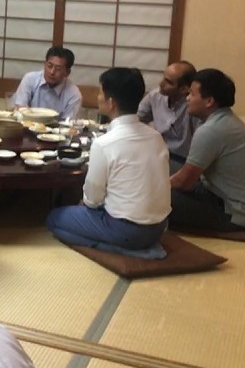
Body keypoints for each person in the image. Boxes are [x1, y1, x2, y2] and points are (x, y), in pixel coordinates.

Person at [46, 67, 171, 252]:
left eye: (100, 92)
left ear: (111, 103)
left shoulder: (104, 143)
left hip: (126, 229)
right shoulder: (156, 136)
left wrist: (84, 205)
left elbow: (92, 200)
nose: (98, 97)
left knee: (54, 219)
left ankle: (122, 250)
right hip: (159, 228)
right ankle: (131, 245)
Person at [169, 68, 245, 231]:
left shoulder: (212, 130)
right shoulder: (222, 119)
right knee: (166, 163)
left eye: (192, 94)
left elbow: (185, 182)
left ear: (209, 101)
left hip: (233, 212)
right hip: (219, 193)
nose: (187, 98)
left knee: (150, 199)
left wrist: (155, 187)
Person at [138, 61, 200, 170]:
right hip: (157, 152)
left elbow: (199, 146)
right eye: (163, 78)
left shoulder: (194, 105)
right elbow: (137, 119)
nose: (161, 83)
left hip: (183, 160)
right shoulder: (155, 96)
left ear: (184, 89)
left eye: (168, 82)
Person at [11, 45, 82, 120]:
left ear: (67, 72)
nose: (52, 72)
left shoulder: (73, 94)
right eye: (49, 66)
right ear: (44, 64)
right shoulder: (30, 79)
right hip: (27, 125)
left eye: (58, 69)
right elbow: (20, 110)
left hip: (58, 127)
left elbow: (68, 123)